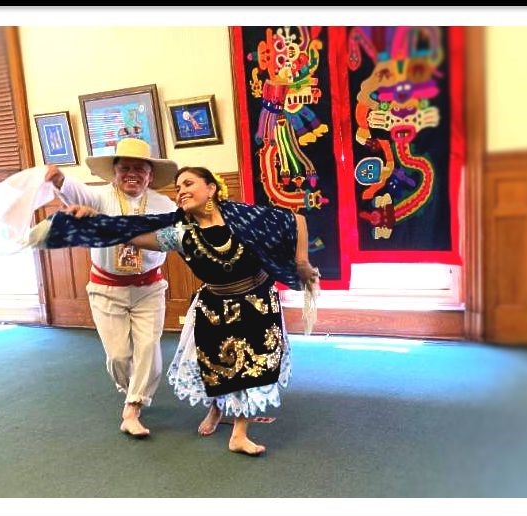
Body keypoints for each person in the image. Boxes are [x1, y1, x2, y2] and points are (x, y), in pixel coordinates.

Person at [31, 166, 319, 456]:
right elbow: (129, 233)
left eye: (189, 183)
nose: (181, 191)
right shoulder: (181, 234)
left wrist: (303, 263)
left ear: (211, 188)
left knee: (251, 370)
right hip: (216, 307)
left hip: (257, 303)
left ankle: (239, 434)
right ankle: (216, 409)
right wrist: (95, 221)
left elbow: (296, 220)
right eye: (178, 187)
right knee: (218, 368)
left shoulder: (244, 218)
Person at [45, 137, 178, 438]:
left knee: (148, 348)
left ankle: (133, 407)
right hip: (107, 289)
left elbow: (177, 234)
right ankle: (131, 387)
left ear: (150, 175)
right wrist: (58, 177)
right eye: (125, 168)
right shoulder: (100, 198)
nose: (132, 174)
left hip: (149, 288)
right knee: (118, 355)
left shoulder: (163, 204)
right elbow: (72, 190)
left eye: (139, 169)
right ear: (115, 172)